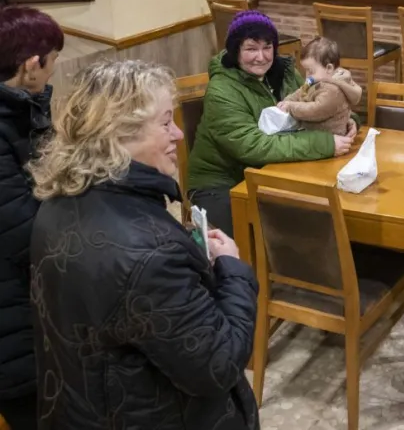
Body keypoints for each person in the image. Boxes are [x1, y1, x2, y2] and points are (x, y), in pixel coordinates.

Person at [28, 60, 259, 430]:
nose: (179, 135)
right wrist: (232, 271)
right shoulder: (150, 254)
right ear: (118, 135)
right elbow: (218, 364)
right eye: (166, 122)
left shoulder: (55, 204)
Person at [186, 11, 356, 235]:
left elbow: (323, 104)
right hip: (222, 182)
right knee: (276, 238)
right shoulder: (221, 91)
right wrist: (326, 143)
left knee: (329, 219)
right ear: (235, 50)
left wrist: (347, 122)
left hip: (274, 171)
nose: (261, 56)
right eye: (251, 48)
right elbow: (253, 146)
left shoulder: (285, 73)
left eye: (267, 47)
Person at [0, 7, 63, 430]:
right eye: (53, 60)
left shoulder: (21, 110)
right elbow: (24, 233)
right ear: (31, 64)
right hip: (12, 320)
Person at [277, 37, 362, 136]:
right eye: (306, 71)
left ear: (329, 68)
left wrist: (290, 106)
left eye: (311, 71)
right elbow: (300, 92)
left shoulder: (332, 90)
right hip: (315, 136)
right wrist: (287, 101)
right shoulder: (317, 81)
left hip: (330, 138)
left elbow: (316, 110)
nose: (307, 75)